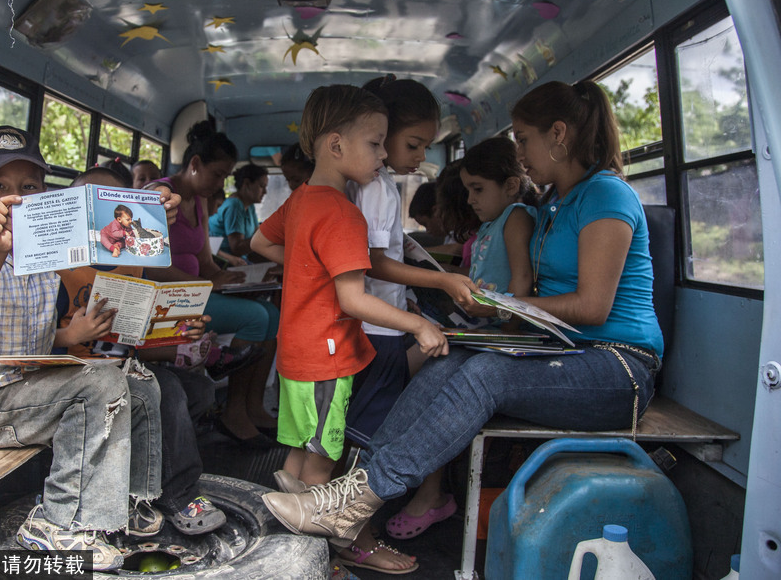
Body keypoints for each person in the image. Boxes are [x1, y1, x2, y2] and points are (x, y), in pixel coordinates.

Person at [261, 80, 664, 556]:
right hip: (563, 351)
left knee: (487, 374)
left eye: (523, 139)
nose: (518, 153)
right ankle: (348, 497)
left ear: (559, 135)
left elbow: (592, 307)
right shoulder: (557, 203)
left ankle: (354, 501)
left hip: (617, 366)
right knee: (449, 357)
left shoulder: (605, 196)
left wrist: (501, 307)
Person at [0, 126, 164, 571]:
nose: (13, 197)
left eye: (28, 186)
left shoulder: (47, 241)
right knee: (102, 385)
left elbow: (29, 337)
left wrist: (69, 337)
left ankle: (132, 501)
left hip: (33, 381)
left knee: (138, 379)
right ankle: (61, 522)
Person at [251, 84, 453, 575]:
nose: (383, 155)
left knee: (299, 459)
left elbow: (260, 241)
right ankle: (310, 561)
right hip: (329, 355)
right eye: (376, 143)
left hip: (296, 354)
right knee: (323, 468)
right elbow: (353, 298)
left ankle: (285, 548)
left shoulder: (301, 200)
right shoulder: (343, 214)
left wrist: (306, 267)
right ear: (337, 146)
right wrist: (418, 323)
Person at [55, 164, 227, 536]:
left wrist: (180, 329)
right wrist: (72, 332)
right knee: (168, 394)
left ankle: (147, 476)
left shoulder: (134, 259)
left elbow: (137, 331)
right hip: (74, 373)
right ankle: (179, 493)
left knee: (201, 390)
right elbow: (37, 339)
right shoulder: (56, 263)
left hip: (122, 363)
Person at [340, 77, 476, 546]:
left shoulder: (366, 185)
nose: (420, 157)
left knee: (355, 432)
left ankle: (348, 527)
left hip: (374, 323)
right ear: (381, 132)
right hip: (381, 330)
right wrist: (441, 279)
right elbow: (376, 262)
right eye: (413, 144)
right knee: (368, 438)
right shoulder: (378, 187)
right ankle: (355, 535)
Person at [146, 120, 280, 448]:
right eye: (218, 173)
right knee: (256, 318)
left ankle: (251, 406)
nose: (222, 182)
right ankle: (234, 412)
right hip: (165, 296)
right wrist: (203, 285)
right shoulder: (158, 195)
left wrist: (229, 280)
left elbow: (206, 261)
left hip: (194, 290)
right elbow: (147, 266)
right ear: (195, 164)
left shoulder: (200, 202)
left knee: (272, 314)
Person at [459, 135, 539, 296]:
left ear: (511, 186)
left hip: (503, 317)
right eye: (468, 191)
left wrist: (508, 321)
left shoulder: (516, 218)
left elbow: (521, 278)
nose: (470, 199)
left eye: (478, 189)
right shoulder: (491, 223)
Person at [208, 163, 269, 262]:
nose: (265, 192)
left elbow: (257, 233)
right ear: (247, 183)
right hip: (225, 263)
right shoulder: (234, 206)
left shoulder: (250, 206)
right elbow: (237, 248)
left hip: (243, 260)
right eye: (262, 186)